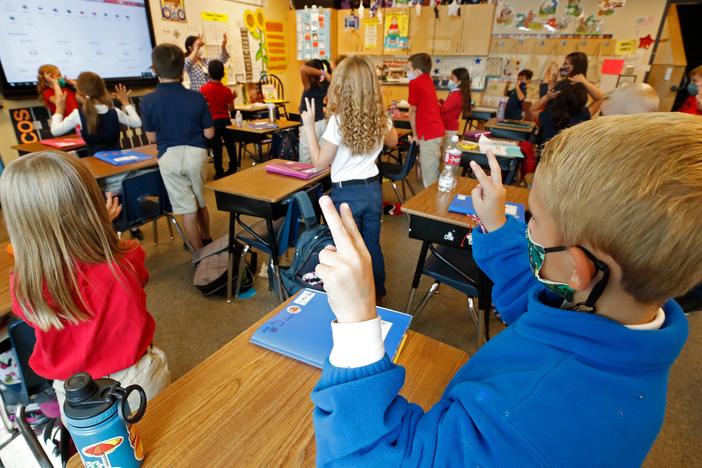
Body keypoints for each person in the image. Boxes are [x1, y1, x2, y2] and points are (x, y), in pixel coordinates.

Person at [310, 112, 701, 466]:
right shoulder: (625, 320)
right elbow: (537, 306)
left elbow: (370, 458)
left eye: (533, 219)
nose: (527, 227)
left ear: (579, 269)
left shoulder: (527, 417)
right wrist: (497, 224)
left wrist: (357, 324)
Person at [2, 151, 171, 410]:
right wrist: (102, 228)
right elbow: (138, 276)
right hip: (135, 380)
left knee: (99, 449)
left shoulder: (25, 285)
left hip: (73, 392)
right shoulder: (125, 257)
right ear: (91, 205)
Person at [300, 56, 398, 301]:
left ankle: (353, 297)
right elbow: (394, 141)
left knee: (347, 248)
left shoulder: (339, 121)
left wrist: (310, 127)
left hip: (346, 194)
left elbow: (320, 162)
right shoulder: (379, 117)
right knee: (371, 246)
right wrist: (383, 114)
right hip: (373, 190)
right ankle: (378, 294)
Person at [141, 44, 215, 251]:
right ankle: (207, 237)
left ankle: (198, 252)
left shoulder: (148, 101)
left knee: (185, 208)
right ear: (183, 69)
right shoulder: (197, 97)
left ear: (154, 69)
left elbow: (152, 138)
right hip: (196, 154)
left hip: (169, 158)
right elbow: (209, 133)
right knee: (200, 200)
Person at [49, 72, 141, 156]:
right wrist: (125, 102)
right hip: (119, 163)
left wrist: (60, 108)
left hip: (95, 166)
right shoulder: (115, 111)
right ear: (102, 90)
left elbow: (55, 131)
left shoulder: (78, 114)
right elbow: (137, 123)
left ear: (79, 92)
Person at [407, 53, 444, 187]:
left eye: (409, 69)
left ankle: (432, 206)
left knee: (430, 179)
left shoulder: (415, 83)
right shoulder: (428, 80)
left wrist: (415, 135)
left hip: (428, 134)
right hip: (435, 132)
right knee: (433, 170)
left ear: (417, 71)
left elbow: (412, 111)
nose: (408, 72)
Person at [200, 60, 237, 179]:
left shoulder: (203, 90)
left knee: (217, 148)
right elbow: (231, 109)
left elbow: (203, 107)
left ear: (209, 73)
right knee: (230, 145)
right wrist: (233, 98)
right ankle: (233, 167)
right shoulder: (226, 90)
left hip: (212, 122)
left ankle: (219, 172)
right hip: (225, 121)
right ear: (223, 74)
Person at [537, 79, 603, 144]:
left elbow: (532, 110)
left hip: (548, 153)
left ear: (557, 95)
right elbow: (599, 98)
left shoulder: (547, 115)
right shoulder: (584, 114)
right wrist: (584, 82)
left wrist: (546, 97)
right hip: (571, 154)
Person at [299, 59, 329, 163]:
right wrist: (326, 74)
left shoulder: (309, 86)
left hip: (310, 125)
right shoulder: (325, 84)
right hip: (322, 123)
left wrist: (323, 73)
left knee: (305, 161)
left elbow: (303, 69)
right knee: (318, 157)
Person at [439, 67, 471, 149]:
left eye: (452, 78)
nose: (449, 80)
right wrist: (442, 102)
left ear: (459, 81)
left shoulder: (456, 94)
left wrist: (434, 103)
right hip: (448, 127)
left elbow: (443, 110)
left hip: (449, 129)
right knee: (445, 152)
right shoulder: (455, 93)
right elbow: (449, 107)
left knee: (447, 154)